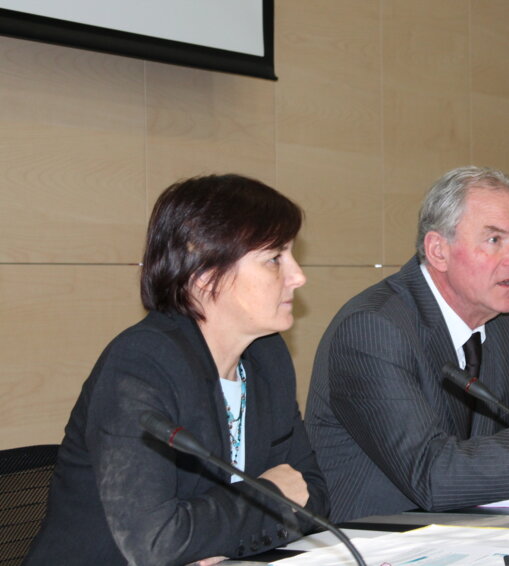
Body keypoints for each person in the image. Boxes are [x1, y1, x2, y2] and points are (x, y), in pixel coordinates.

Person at [305, 166, 509, 522]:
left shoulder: (501, 328)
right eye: (495, 240)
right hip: (375, 540)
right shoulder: (373, 330)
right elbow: (431, 475)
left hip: (467, 533)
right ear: (438, 251)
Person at [25, 174, 328, 566]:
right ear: (204, 274)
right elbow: (156, 543)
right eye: (274, 259)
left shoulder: (267, 357)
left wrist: (214, 538)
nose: (298, 276)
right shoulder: (141, 364)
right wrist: (266, 497)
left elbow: (313, 494)